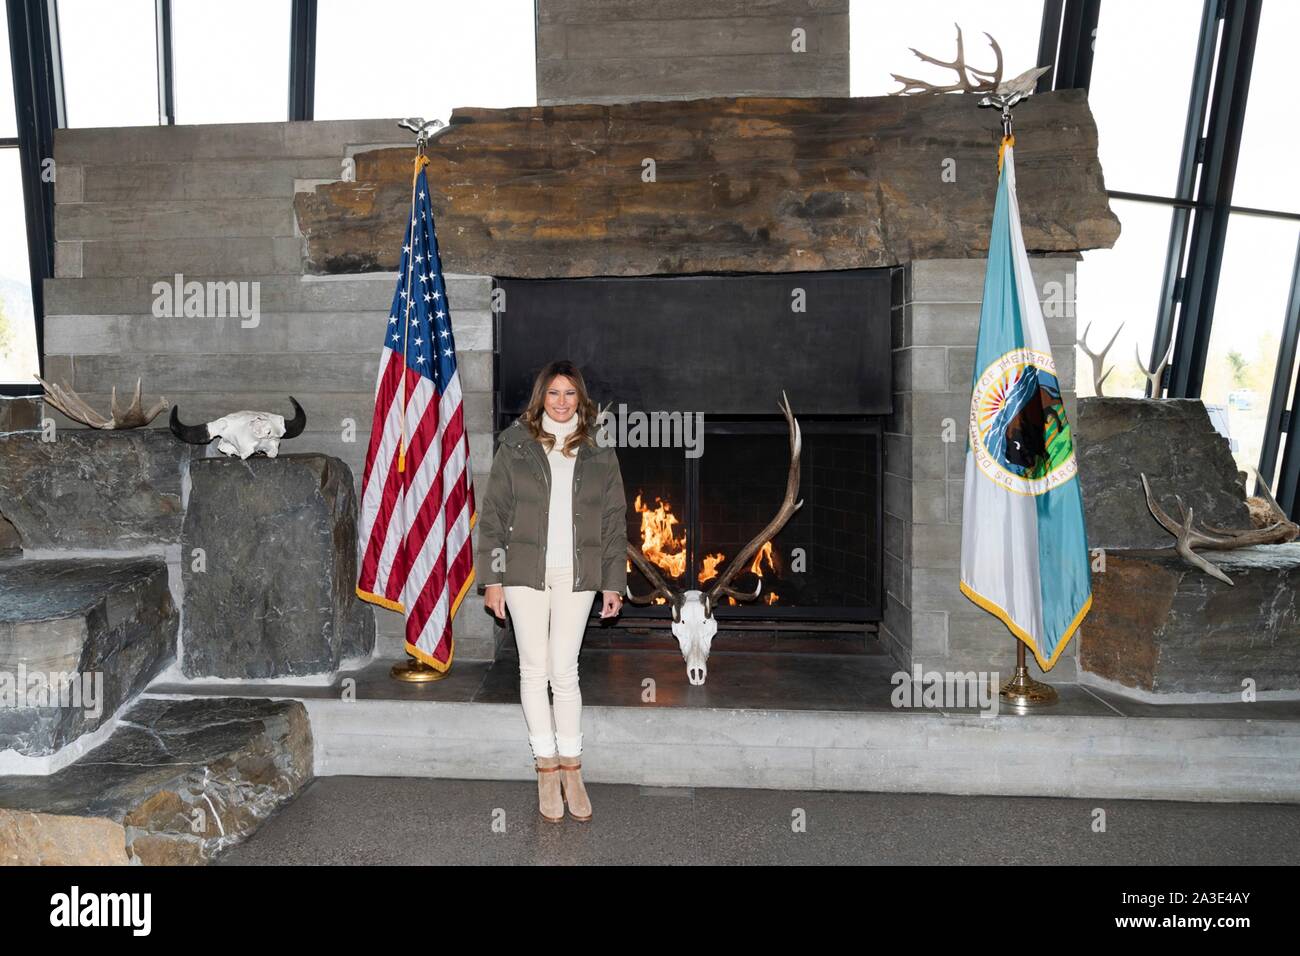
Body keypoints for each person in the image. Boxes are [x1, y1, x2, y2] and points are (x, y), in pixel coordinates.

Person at [474, 360, 628, 823]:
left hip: (577, 576)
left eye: (570, 395)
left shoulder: (600, 452)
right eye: (554, 394)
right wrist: (493, 579)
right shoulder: (514, 447)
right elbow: (494, 516)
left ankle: (573, 769)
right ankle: (545, 767)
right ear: (541, 397)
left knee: (564, 671)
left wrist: (613, 582)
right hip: (523, 574)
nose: (562, 403)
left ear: (581, 401)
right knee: (533, 670)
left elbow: (614, 522)